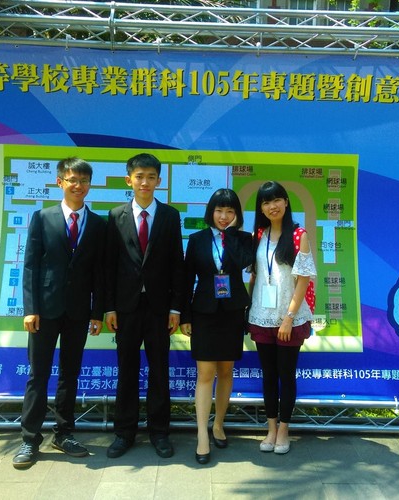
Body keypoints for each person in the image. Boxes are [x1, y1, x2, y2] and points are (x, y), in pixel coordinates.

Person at [14, 157, 106, 469]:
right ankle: (29, 439)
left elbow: (99, 272)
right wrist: (30, 309)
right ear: (60, 182)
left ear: (89, 184)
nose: (78, 186)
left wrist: (97, 312)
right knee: (38, 375)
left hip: (79, 312)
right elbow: (31, 266)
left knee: (70, 374)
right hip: (45, 310)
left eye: (84, 180)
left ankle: (64, 434)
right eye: (72, 180)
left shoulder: (98, 225)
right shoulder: (42, 218)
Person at [104, 153, 185, 459]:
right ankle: (124, 432)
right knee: (127, 370)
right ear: (129, 180)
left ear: (159, 181)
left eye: (151, 177)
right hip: (125, 309)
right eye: (139, 177)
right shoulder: (115, 216)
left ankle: (159, 432)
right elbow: (109, 266)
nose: (145, 182)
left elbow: (177, 264)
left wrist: (176, 308)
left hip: (159, 309)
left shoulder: (170, 216)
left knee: (159, 370)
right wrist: (109, 307)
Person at [180, 189, 254, 464]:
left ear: (237, 215)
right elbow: (187, 279)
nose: (223, 216)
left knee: (225, 370)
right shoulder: (197, 239)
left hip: (232, 312)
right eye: (219, 211)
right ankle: (201, 434)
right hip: (204, 312)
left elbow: (242, 262)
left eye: (230, 211)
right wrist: (185, 316)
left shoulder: (244, 239)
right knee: (205, 373)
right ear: (211, 211)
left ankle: (219, 424)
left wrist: (231, 234)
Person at [247, 181, 316, 455]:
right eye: (266, 202)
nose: (272, 206)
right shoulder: (258, 235)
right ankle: (271, 429)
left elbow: (303, 281)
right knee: (268, 375)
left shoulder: (299, 235)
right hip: (262, 316)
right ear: (261, 208)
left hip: (290, 319)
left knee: (286, 375)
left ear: (286, 202)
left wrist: (288, 318)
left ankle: (284, 430)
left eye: (276, 200)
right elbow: (255, 275)